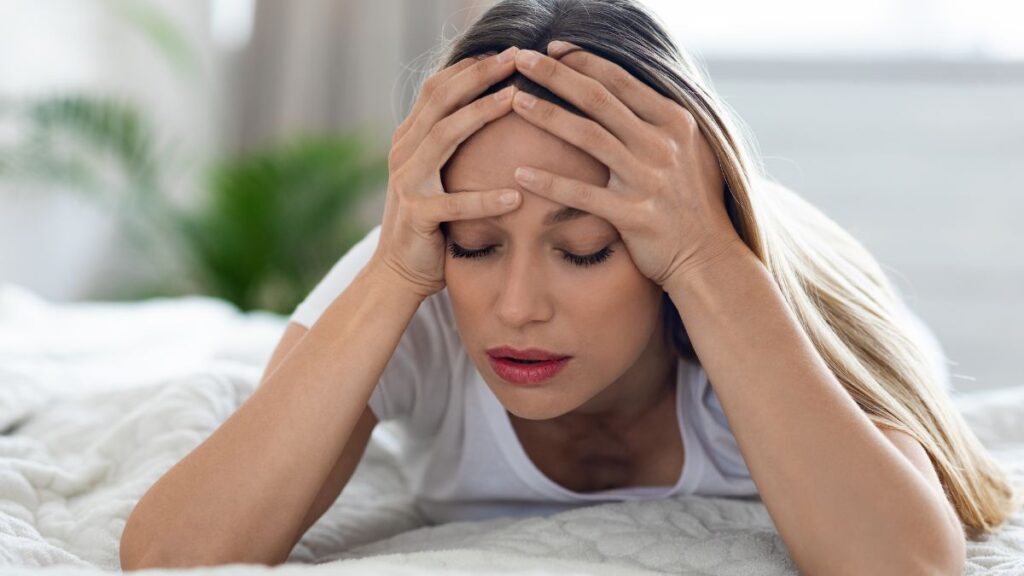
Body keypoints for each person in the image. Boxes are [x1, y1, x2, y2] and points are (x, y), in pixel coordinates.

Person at [119, 0, 1021, 571]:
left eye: (583, 250)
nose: (516, 307)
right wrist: (397, 268)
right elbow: (169, 556)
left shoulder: (737, 294)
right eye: (477, 244)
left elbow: (908, 565)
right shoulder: (413, 286)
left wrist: (709, 259)